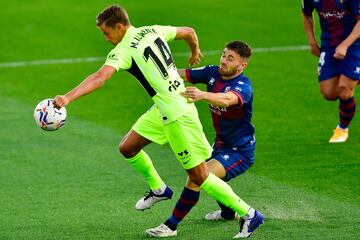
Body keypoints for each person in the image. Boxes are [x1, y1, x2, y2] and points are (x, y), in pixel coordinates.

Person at [53, 5, 262, 238]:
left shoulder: (123, 50)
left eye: (106, 32)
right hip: (162, 106)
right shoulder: (152, 30)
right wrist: (195, 51)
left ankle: (249, 214)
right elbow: (189, 32)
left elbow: (100, 77)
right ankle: (159, 188)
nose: (105, 38)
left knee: (199, 176)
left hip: (176, 113)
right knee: (128, 147)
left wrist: (68, 97)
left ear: (120, 27)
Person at [145, 40, 262, 238]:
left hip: (240, 152)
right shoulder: (212, 72)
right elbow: (179, 74)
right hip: (220, 145)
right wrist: (153, 68)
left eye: (230, 58)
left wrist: (202, 95)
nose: (223, 60)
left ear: (242, 65)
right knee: (212, 178)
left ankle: (171, 226)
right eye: (223, 55)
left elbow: (228, 99)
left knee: (197, 177)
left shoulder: (243, 86)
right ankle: (227, 213)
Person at [302, 0, 360, 143]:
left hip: (355, 43)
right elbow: (306, 13)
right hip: (329, 43)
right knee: (329, 93)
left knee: (344, 89)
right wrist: (312, 42)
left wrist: (345, 45)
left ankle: (342, 129)